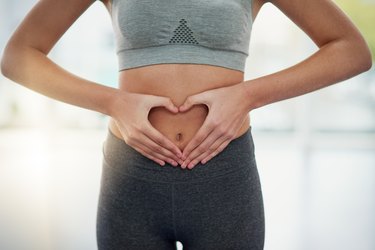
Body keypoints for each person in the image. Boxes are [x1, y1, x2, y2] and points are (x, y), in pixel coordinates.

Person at [1, 0, 372, 249]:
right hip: (131, 180)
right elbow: (19, 55)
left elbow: (350, 50)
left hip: (224, 180)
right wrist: (113, 102)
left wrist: (246, 96)